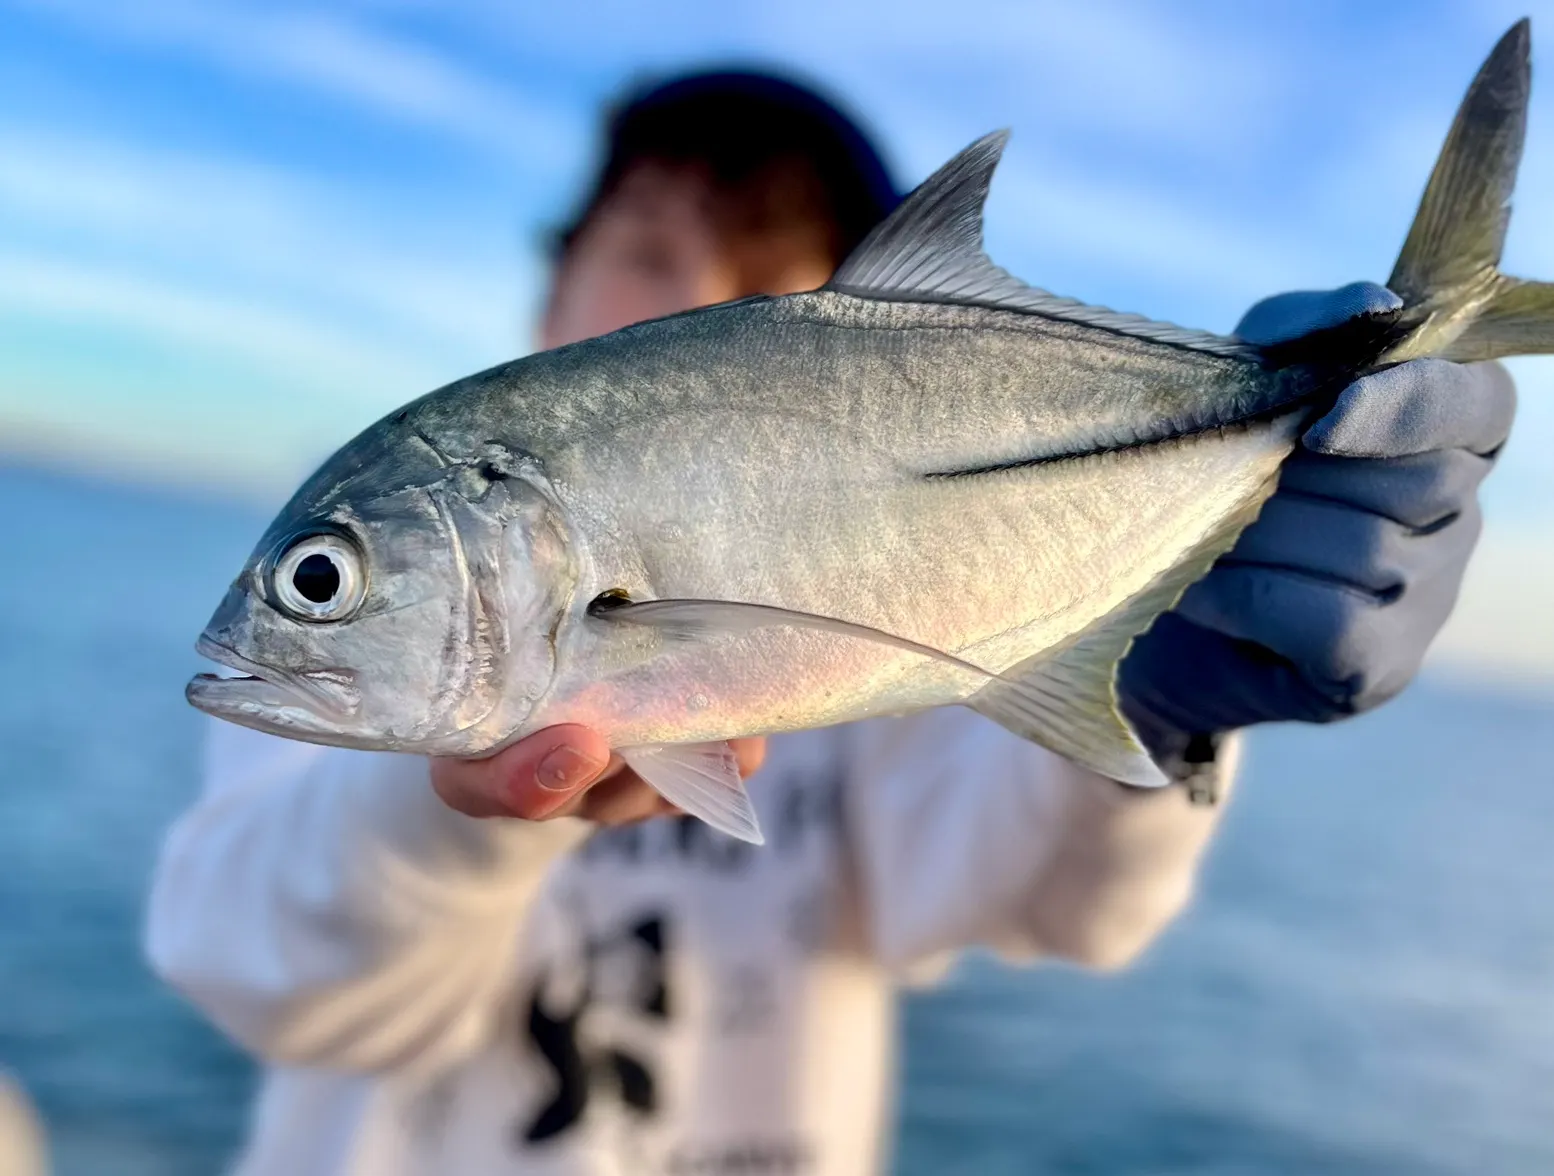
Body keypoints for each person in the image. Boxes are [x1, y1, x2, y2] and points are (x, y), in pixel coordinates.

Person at [145, 71, 1515, 1175]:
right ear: (554, 289)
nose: (696, 305)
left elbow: (1043, 904)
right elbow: (267, 982)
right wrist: (449, 815)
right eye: (652, 251)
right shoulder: (331, 724)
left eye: (760, 280)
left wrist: (1162, 707)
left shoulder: (881, 725)